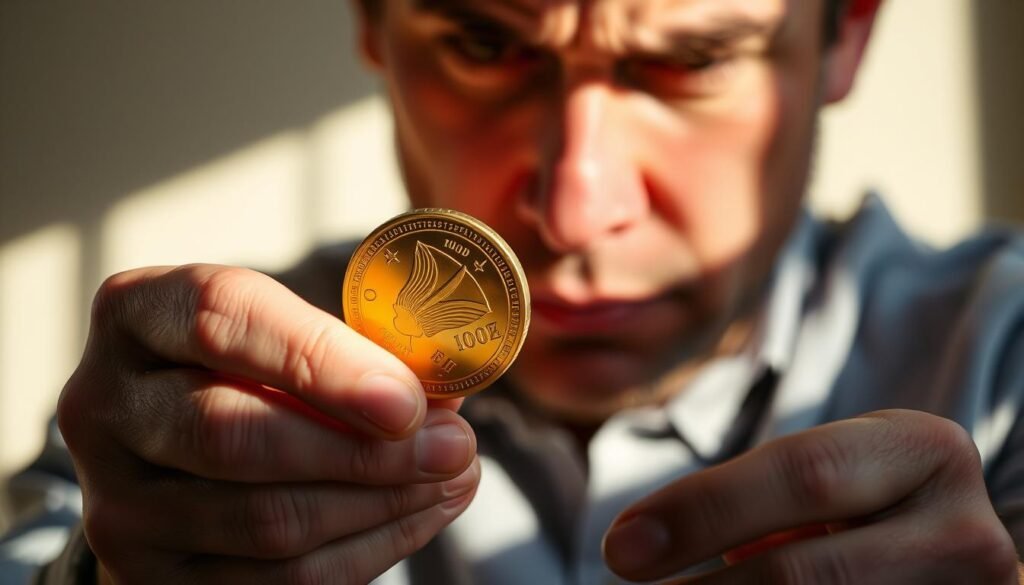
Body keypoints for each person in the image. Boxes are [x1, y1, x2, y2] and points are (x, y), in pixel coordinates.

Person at [3, 0, 1024, 582]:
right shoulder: (191, 414)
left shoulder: (1004, 361)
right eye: (486, 46)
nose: (575, 209)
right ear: (370, 21)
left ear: (846, 33)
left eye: (695, 60)